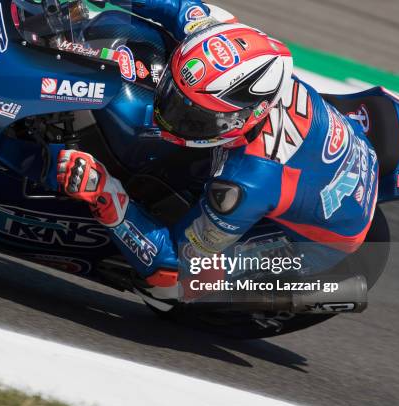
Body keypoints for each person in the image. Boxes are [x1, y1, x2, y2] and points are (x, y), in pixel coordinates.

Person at [49, 1, 379, 289]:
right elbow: (177, 6)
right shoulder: (218, 40)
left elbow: (175, 265)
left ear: (243, 118)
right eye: (176, 99)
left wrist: (105, 192)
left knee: (178, 289)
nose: (169, 117)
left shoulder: (246, 183)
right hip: (329, 150)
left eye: (191, 117)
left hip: (324, 239)